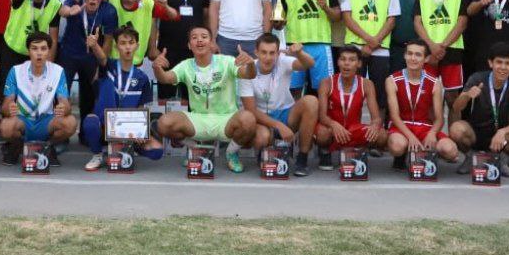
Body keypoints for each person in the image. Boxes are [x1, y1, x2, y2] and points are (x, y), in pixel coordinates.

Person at [153, 25, 259, 173]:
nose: (199, 40)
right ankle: (197, 149)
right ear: (189, 45)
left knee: (248, 119)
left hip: (226, 119)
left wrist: (250, 64)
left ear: (211, 43)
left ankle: (231, 153)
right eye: (194, 38)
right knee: (164, 123)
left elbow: (249, 74)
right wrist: (157, 68)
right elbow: (165, 78)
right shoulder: (185, 65)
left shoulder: (227, 61)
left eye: (204, 37)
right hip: (198, 120)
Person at [234, 33, 320, 176]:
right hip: (261, 118)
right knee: (262, 137)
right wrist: (279, 126)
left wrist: (299, 53)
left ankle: (302, 158)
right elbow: (251, 109)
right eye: (264, 52)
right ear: (256, 52)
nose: (268, 57)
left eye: (272, 53)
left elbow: (309, 64)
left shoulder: (283, 61)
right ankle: (265, 151)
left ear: (278, 53)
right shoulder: (247, 70)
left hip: (285, 113)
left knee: (311, 101)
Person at [82, 26, 163, 170]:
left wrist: (139, 130)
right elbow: (102, 58)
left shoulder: (142, 78)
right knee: (90, 122)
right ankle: (98, 154)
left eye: (131, 43)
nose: (127, 47)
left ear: (137, 46)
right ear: (116, 46)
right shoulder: (108, 67)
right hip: (105, 126)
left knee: (157, 151)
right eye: (123, 43)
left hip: (128, 127)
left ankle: (127, 147)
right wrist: (94, 45)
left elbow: (141, 109)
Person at [450, 43, 509, 175]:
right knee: (456, 129)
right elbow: (456, 108)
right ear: (490, 63)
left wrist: (502, 132)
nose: (503, 67)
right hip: (476, 133)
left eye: (508, 63)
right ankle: (471, 157)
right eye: (499, 62)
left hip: (504, 137)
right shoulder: (477, 78)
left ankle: (503, 158)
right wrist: (466, 95)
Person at [0, 32, 76, 165]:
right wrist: (9, 108)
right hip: (23, 120)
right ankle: (18, 147)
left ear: (49, 51)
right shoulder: (16, 71)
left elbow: (65, 103)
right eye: (34, 49)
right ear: (28, 51)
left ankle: (48, 147)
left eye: (43, 49)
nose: (39, 53)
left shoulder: (58, 71)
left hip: (46, 121)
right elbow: (5, 106)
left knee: (70, 123)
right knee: (5, 127)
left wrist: (63, 108)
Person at [340, 0, 400, 112]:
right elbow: (347, 18)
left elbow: (392, 20)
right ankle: (352, 126)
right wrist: (369, 41)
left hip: (380, 50)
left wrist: (374, 43)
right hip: (355, 49)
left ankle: (378, 128)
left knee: (380, 95)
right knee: (352, 94)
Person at [384, 39, 459, 168]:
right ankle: (403, 154)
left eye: (418, 55)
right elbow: (394, 116)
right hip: (401, 126)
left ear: (426, 59)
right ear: (404, 55)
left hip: (425, 127)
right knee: (397, 146)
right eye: (410, 54)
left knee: (451, 151)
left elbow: (439, 119)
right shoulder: (392, 80)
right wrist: (411, 137)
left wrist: (432, 134)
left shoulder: (435, 82)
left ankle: (427, 153)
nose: (413, 58)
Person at [56, 0, 117, 129]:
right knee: (61, 96)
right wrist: (70, 11)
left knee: (89, 98)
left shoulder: (109, 11)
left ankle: (86, 134)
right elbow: (62, 10)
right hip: (68, 55)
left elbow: (108, 41)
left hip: (91, 58)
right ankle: (61, 133)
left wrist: (102, 65)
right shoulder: (74, 0)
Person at [280, 0, 340, 98]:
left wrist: (326, 8)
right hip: (294, 46)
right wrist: (276, 20)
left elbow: (336, 16)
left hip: (321, 46)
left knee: (324, 91)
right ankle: (294, 115)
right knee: (292, 91)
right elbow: (279, 21)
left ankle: (322, 115)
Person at [151, 0, 211, 101]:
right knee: (166, 97)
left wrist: (210, 43)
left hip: (195, 51)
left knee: (193, 97)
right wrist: (152, 48)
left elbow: (207, 18)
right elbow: (153, 21)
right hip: (167, 51)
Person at [412, 0, 469, 102]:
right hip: (427, 50)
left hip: (452, 49)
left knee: (452, 98)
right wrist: (432, 46)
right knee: (428, 98)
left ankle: (453, 122)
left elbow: (462, 22)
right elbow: (417, 22)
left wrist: (442, 46)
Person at [314, 45, 388, 157]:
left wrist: (374, 125)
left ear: (359, 64)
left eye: (352, 60)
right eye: (343, 59)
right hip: (332, 130)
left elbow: (376, 118)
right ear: (338, 62)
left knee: (382, 135)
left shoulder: (366, 84)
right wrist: (334, 125)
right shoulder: (326, 83)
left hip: (353, 130)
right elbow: (322, 116)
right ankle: (326, 150)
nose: (346, 63)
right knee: (322, 133)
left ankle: (358, 149)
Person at [109, 0, 179, 69]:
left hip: (136, 62)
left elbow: (175, 16)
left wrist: (166, 6)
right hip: (112, 62)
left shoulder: (149, 2)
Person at [3, 0, 61, 68]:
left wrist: (50, 66)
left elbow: (53, 39)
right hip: (11, 51)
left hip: (35, 55)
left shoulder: (55, 4)